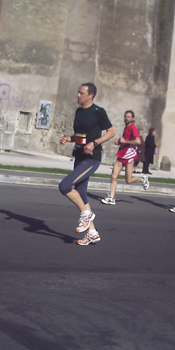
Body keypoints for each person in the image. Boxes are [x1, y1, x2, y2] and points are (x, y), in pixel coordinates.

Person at [59, 83, 115, 246]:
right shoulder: (79, 112)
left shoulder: (98, 112)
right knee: (82, 194)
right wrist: (68, 139)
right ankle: (92, 232)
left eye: (80, 93)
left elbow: (111, 132)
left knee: (65, 186)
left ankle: (86, 213)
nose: (77, 95)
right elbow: (80, 136)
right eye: (77, 92)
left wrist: (94, 143)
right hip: (79, 157)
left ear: (90, 95)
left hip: (92, 158)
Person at [100, 110, 149, 205]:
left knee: (128, 180)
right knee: (113, 176)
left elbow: (138, 141)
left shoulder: (133, 128)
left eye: (129, 117)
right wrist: (119, 142)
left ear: (132, 118)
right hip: (122, 153)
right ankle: (111, 197)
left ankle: (142, 179)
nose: (126, 118)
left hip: (129, 155)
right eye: (126, 116)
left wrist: (125, 141)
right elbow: (125, 140)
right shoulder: (126, 127)